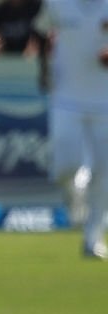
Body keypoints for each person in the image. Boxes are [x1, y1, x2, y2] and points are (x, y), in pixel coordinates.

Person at [34, 0, 108, 259]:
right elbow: (42, 32)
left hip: (105, 101)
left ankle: (92, 239)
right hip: (65, 97)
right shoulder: (56, 3)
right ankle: (77, 202)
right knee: (65, 167)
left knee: (104, 172)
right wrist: (43, 70)